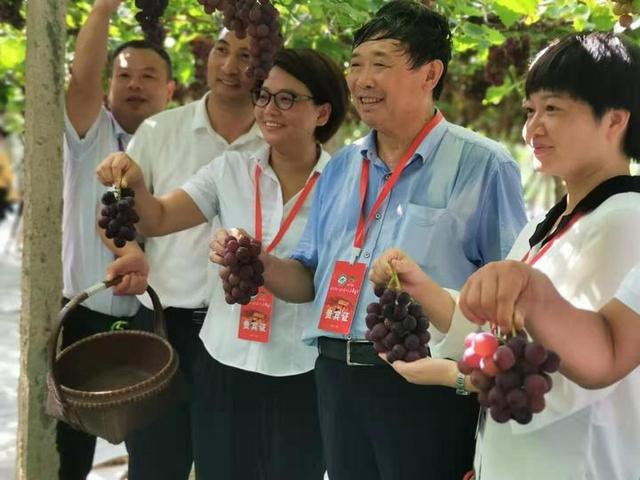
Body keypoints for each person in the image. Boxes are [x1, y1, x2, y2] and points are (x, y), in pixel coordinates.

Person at [209, 2, 527, 479]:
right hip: (335, 374)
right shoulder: (340, 167)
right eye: (356, 65)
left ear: (429, 73)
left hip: (422, 379)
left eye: (381, 63)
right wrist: (260, 260)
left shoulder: (482, 164)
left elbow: (509, 294)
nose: (362, 79)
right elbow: (308, 280)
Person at [370, 31, 640, 480]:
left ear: (614, 121)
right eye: (530, 110)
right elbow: (496, 328)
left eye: (552, 109)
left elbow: (562, 376)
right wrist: (421, 287)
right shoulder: (550, 225)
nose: (533, 127)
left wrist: (452, 376)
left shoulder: (626, 221)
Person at [99, 47, 349, 480]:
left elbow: (314, 284)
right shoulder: (229, 170)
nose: (270, 109)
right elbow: (157, 217)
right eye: (264, 95)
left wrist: (258, 261)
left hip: (300, 370)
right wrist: (135, 183)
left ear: (322, 112)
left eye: (287, 98)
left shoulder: (344, 185)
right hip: (223, 362)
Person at [102, 28, 265, 480]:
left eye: (247, 55)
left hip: (242, 332)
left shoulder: (280, 140)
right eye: (221, 50)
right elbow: (115, 217)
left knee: (231, 465)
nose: (230, 67)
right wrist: (130, 250)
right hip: (162, 326)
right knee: (155, 465)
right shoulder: (159, 131)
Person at [60, 0, 174, 478]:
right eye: (124, 75)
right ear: (109, 88)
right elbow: (80, 82)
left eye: (149, 76)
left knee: (153, 456)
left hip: (155, 324)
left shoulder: (179, 142)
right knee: (69, 453)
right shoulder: (92, 137)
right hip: (82, 317)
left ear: (170, 90)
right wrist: (104, 8)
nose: (135, 83)